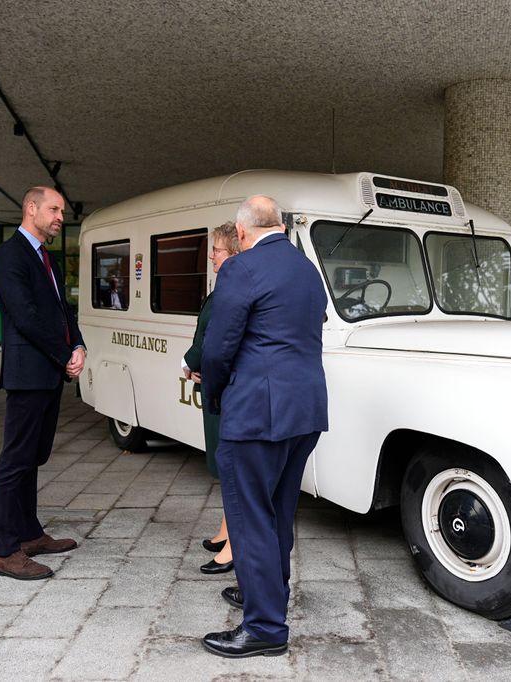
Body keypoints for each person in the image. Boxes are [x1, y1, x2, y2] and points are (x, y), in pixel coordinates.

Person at [200, 196, 328, 658]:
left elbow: (217, 349)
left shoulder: (241, 269)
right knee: (277, 511)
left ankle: (265, 629)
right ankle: (267, 596)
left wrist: (214, 396)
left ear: (242, 233)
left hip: (255, 413)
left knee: (250, 518)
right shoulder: (307, 269)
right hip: (305, 411)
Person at [0, 186, 86, 580]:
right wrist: (64, 355)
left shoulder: (48, 259)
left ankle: (29, 533)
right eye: (54, 209)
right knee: (15, 462)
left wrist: (78, 344)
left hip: (49, 372)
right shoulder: (10, 255)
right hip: (28, 374)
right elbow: (26, 317)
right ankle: (5, 552)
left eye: (62, 210)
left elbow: (63, 310)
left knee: (33, 457)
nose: (60, 216)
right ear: (31, 208)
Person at [182, 222, 240, 575]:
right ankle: (226, 530)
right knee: (224, 464)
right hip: (217, 384)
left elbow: (215, 337)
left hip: (226, 389)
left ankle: (234, 545)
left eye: (216, 250)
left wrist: (190, 363)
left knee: (231, 468)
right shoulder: (227, 284)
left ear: (233, 253)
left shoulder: (233, 287)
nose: (211, 256)